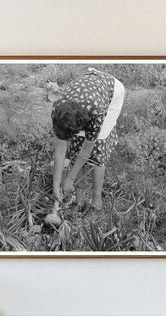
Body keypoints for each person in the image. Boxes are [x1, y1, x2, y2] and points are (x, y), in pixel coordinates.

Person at [51, 67, 125, 211]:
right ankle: (79, 201)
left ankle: (96, 203)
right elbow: (60, 151)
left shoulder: (96, 112)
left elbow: (86, 150)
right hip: (89, 90)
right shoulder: (58, 110)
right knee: (74, 149)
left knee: (97, 152)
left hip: (111, 93)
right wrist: (56, 185)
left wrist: (70, 179)